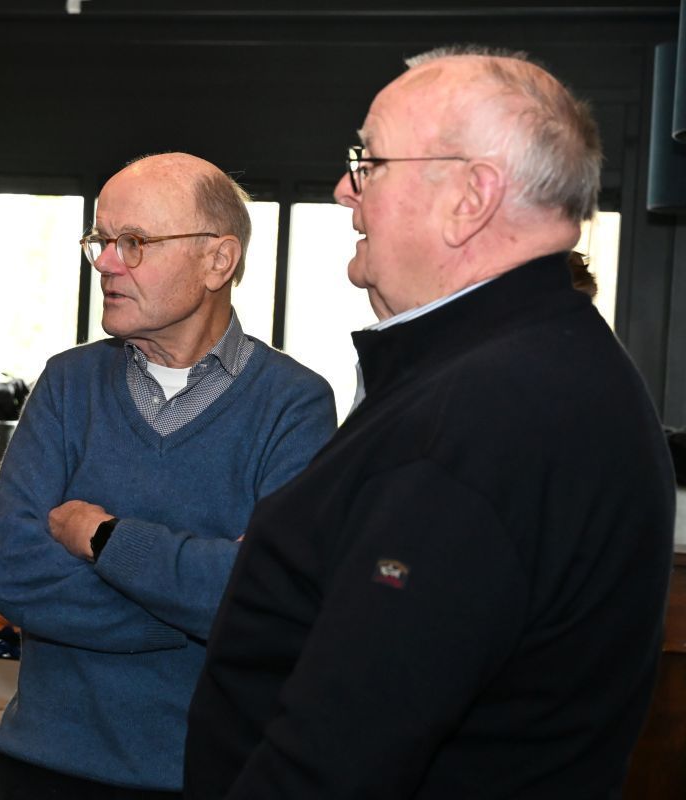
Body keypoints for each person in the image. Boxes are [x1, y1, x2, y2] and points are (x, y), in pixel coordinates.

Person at [185, 46, 675, 799]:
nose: (345, 189)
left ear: (470, 198)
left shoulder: (489, 415)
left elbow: (336, 759)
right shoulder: (544, 363)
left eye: (370, 162)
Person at [0, 152, 336, 798]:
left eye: (134, 242)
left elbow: (277, 599)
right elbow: (10, 572)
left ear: (217, 261)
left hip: (205, 779)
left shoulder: (294, 405)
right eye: (101, 240)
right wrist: (200, 603)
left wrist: (103, 538)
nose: (105, 263)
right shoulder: (67, 384)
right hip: (38, 771)